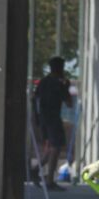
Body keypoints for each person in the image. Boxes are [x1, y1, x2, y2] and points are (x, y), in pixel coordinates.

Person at [31, 56, 71, 189]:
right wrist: (66, 87)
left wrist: (37, 118)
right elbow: (69, 103)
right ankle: (49, 180)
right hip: (52, 118)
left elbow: (34, 100)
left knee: (52, 148)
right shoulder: (59, 83)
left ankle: (36, 169)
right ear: (60, 68)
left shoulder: (43, 82)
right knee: (56, 147)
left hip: (43, 118)